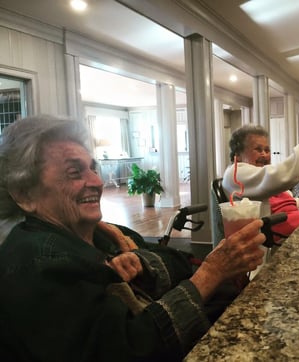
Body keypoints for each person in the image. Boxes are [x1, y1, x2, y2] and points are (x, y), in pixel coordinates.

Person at [0, 115, 267, 362]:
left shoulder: (108, 235)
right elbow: (130, 349)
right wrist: (211, 273)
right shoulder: (38, 263)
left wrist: (141, 265)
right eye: (74, 172)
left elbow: (180, 261)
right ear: (24, 193)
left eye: (93, 169)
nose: (95, 182)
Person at [222, 124, 299, 240]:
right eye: (258, 149)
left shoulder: (261, 177)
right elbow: (282, 176)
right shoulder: (235, 174)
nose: (264, 154)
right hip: (278, 245)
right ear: (238, 155)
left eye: (267, 150)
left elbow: (294, 207)